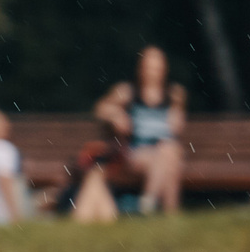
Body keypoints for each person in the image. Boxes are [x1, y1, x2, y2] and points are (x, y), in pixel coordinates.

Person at [67, 48, 187, 220]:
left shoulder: (174, 94)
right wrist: (115, 115)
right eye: (148, 67)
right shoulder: (128, 91)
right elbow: (100, 109)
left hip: (164, 155)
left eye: (156, 67)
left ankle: (149, 204)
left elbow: (177, 126)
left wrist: (176, 116)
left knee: (169, 152)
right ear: (140, 68)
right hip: (136, 152)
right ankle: (167, 213)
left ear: (164, 69)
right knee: (170, 154)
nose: (152, 72)